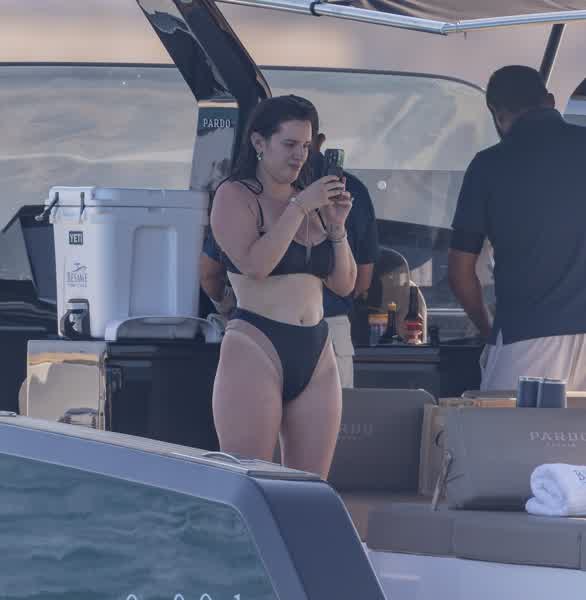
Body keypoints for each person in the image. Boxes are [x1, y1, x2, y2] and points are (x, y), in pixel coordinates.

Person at [209, 95, 356, 478]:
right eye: (289, 144)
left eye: (306, 146)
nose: (299, 156)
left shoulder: (310, 199)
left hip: (315, 346)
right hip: (256, 342)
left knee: (311, 485)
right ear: (259, 142)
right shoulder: (235, 195)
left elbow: (344, 284)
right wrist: (299, 208)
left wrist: (337, 228)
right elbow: (256, 265)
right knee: (252, 479)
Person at [448, 65, 586, 391]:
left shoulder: (488, 165)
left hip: (526, 338)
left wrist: (488, 328)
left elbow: (460, 272)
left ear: (497, 115)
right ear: (550, 100)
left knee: (505, 425)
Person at [310, 137, 379, 388]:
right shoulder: (353, 190)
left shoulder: (251, 192)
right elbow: (362, 281)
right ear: (320, 141)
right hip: (332, 329)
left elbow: (210, 273)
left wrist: (227, 306)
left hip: (265, 328)